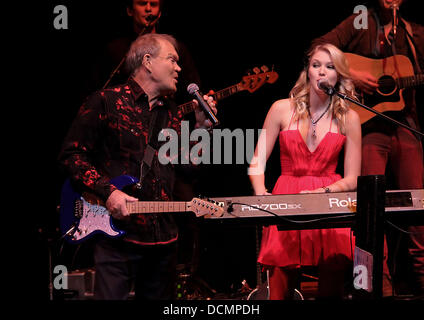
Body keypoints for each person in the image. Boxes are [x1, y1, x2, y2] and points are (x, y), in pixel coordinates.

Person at [58, 33, 216, 300]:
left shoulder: (172, 112)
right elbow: (71, 155)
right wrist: (109, 192)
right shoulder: (105, 101)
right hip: (116, 239)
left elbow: (189, 168)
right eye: (172, 60)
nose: (179, 68)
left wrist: (202, 129)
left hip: (163, 239)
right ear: (148, 62)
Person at [311, 0, 424, 297]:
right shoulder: (361, 21)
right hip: (370, 128)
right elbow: (319, 48)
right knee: (369, 208)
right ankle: (374, 283)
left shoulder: (413, 33)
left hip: (405, 126)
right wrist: (351, 75)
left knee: (417, 204)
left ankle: (422, 279)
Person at [248, 43, 362, 299]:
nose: (322, 72)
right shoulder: (281, 108)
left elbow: (353, 177)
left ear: (339, 75)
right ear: (308, 71)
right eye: (316, 65)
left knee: (331, 286)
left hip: (329, 199)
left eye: (330, 67)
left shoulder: (349, 118)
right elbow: (257, 162)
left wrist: (325, 191)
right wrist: (261, 193)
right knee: (278, 286)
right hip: (287, 196)